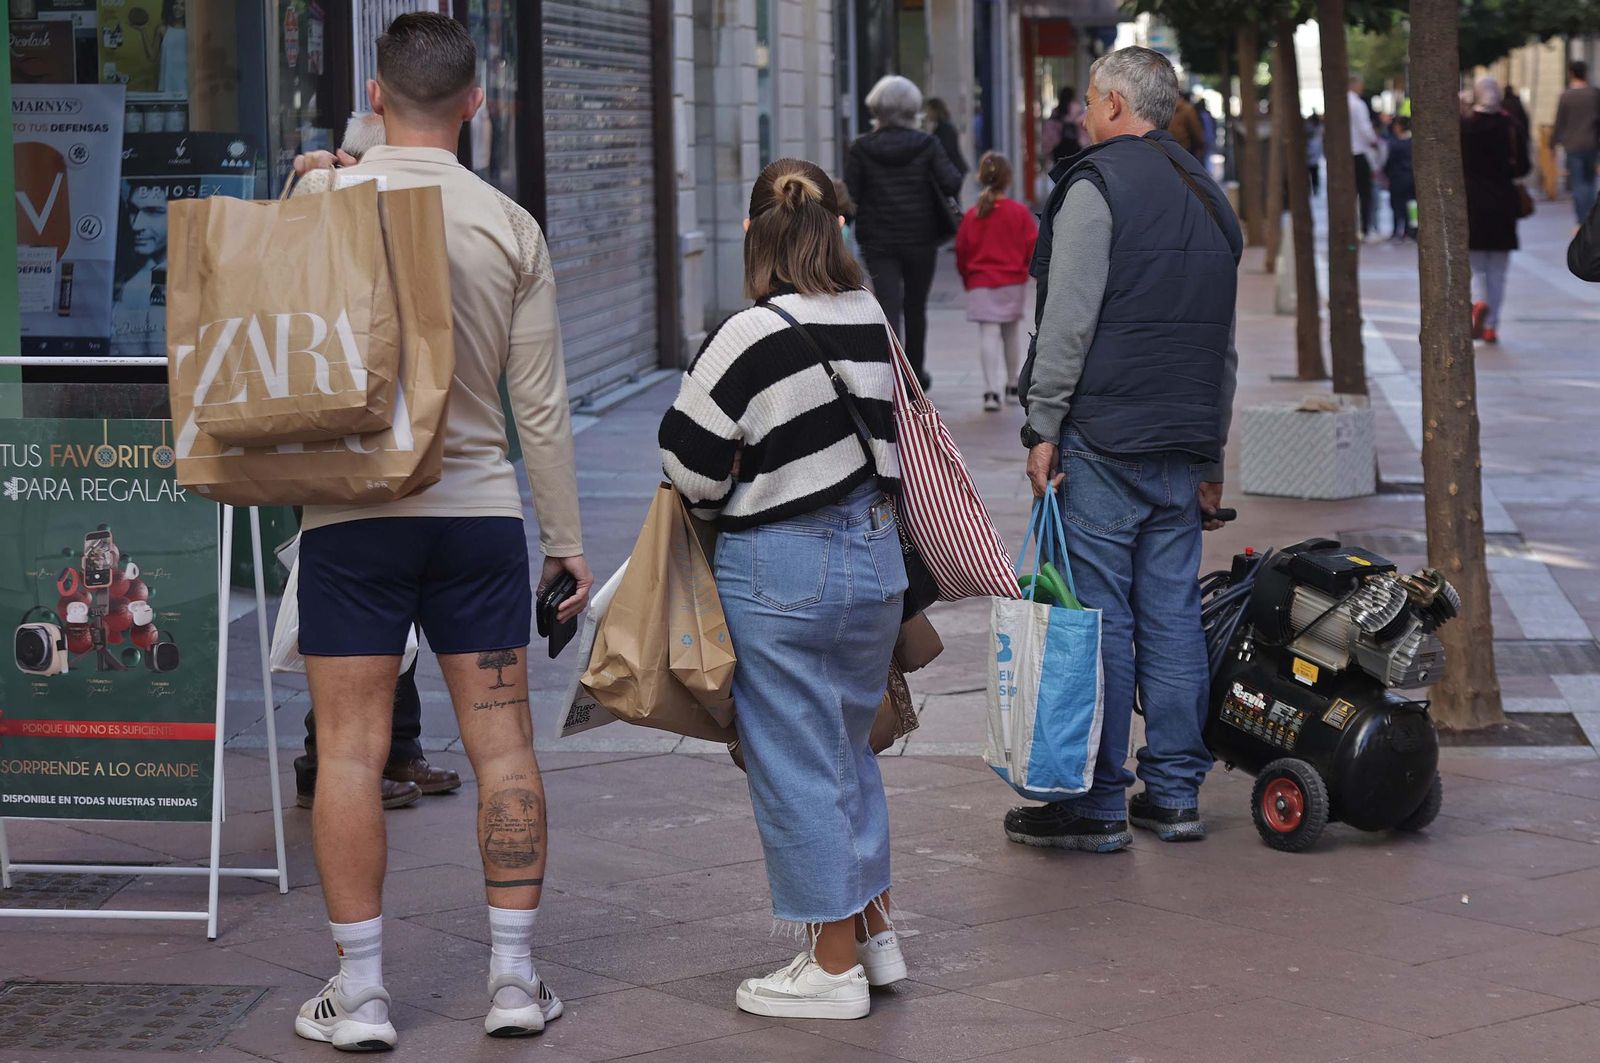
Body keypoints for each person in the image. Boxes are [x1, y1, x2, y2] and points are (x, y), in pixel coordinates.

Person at [285, 13, 592, 1051]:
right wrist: (564, 537)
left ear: (374, 96)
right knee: (499, 739)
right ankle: (512, 977)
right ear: (480, 102)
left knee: (352, 751)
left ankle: (361, 991)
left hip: (349, 515)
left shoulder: (320, 197)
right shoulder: (507, 223)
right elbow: (539, 406)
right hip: (474, 513)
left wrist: (338, 160)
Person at [658, 158, 907, 1020]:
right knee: (847, 744)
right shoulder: (870, 314)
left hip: (782, 565)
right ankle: (874, 932)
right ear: (838, 227)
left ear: (751, 235)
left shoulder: (745, 334)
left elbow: (687, 466)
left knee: (794, 759)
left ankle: (830, 966)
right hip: (875, 561)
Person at [1010, 46, 1242, 852]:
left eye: (1087, 101)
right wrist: (1210, 455)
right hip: (1181, 441)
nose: (1081, 113)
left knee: (1099, 620)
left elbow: (1066, 323)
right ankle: (1175, 794)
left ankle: (1100, 800)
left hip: (1105, 438)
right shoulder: (1211, 195)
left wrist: (1042, 426)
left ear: (1113, 103)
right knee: (1173, 616)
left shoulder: (1096, 185)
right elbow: (1224, 348)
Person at [292, 109, 459, 815]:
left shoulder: (392, 220)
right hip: (341, 458)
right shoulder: (329, 214)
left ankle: (395, 749)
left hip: (380, 455)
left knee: (379, 630)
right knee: (360, 639)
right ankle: (331, 758)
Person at [845, 74, 963, 391]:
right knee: (915, 307)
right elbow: (952, 181)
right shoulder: (927, 143)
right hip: (920, 236)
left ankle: (889, 375)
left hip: (878, 239)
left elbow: (850, 197)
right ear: (913, 109)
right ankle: (915, 377)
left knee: (887, 306)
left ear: (876, 109)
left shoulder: (861, 148)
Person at [955, 152, 1037, 411]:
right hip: (1012, 279)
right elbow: (1032, 245)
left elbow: (962, 249)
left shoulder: (972, 215)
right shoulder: (1019, 212)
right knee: (1011, 332)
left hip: (981, 280)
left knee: (988, 334)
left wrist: (968, 277)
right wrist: (1026, 270)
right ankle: (1012, 386)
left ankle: (990, 391)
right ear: (1009, 179)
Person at [1463, 75, 1530, 345]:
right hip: (1503, 202)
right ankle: (1491, 325)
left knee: (1477, 265)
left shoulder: (1465, 127)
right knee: (1499, 270)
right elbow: (1524, 166)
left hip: (1473, 201)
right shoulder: (1510, 125)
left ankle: (1480, 301)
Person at [1553, 61, 1600, 225]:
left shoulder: (1566, 96)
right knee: (1590, 182)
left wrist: (1553, 143)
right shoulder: (1594, 94)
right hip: (1591, 143)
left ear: (1571, 73)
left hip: (1572, 145)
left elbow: (1560, 121)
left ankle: (1582, 219)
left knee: (1578, 183)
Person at [1348, 77, 1382, 240]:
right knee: (1365, 193)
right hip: (1360, 153)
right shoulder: (1357, 104)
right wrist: (1374, 142)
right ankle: (1365, 229)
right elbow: (1364, 128)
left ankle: (1351, 227)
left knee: (1350, 193)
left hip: (1347, 153)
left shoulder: (1340, 103)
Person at [1384, 115, 1415, 241]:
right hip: (1407, 177)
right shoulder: (1411, 142)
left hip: (1397, 177)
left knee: (1397, 205)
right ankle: (1408, 230)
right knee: (1408, 205)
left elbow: (1389, 161)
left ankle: (1398, 230)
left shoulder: (1395, 143)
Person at [924, 96, 970, 176]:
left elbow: (945, 151)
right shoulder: (942, 126)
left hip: (953, 170)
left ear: (936, 111)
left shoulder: (944, 128)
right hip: (953, 170)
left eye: (929, 110)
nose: (927, 113)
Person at [1041, 89, 1085, 165]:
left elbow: (1049, 133)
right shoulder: (1076, 108)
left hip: (1059, 149)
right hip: (1074, 148)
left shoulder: (1056, 111)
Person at [1167, 92, 1206, 159]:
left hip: (1166, 149)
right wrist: (1200, 145)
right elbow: (1195, 130)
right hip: (1184, 149)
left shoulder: (1165, 108)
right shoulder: (1188, 109)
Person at [1306, 112, 1324, 196]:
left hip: (1314, 154)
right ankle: (1312, 188)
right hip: (1310, 153)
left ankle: (1315, 187)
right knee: (1312, 172)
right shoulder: (1310, 128)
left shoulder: (1319, 129)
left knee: (1314, 172)